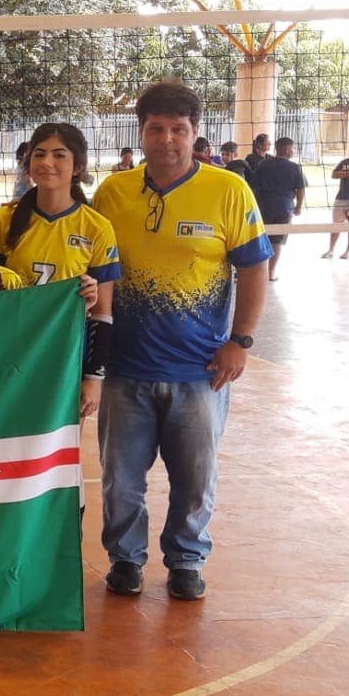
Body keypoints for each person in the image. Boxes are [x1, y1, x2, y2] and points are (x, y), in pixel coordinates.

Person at [93, 80, 272, 602]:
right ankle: (125, 560)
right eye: (156, 129)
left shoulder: (228, 190)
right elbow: (93, 267)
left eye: (178, 129)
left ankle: (186, 560)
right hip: (125, 367)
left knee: (195, 480)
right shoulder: (113, 192)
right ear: (141, 132)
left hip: (200, 370)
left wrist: (241, 340)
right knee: (120, 481)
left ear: (195, 134)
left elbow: (255, 266)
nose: (166, 139)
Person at [0, 123, 120, 418]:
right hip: (11, 355)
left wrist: (93, 378)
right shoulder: (4, 220)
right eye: (40, 154)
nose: (47, 163)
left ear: (77, 166)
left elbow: (103, 312)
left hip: (66, 358)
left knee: (59, 455)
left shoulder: (96, 227)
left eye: (59, 155)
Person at [250, 137, 307, 281]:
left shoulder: (264, 164)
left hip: (263, 206)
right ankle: (271, 272)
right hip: (284, 208)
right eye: (292, 148)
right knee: (277, 240)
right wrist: (299, 207)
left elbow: (253, 187)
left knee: (261, 237)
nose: (293, 151)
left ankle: (258, 271)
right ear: (286, 150)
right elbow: (300, 189)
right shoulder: (295, 167)